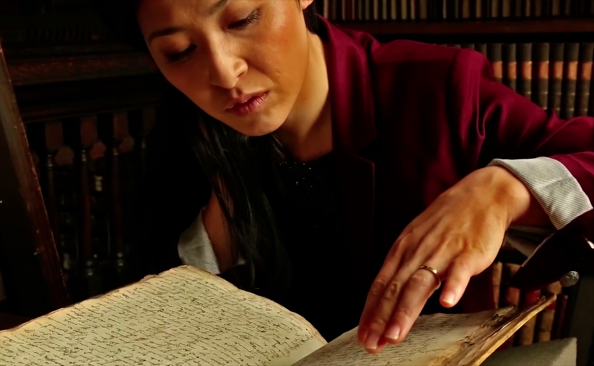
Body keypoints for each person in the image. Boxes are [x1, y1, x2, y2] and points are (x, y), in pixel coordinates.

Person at [114, 0, 594, 353]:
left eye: (242, 19)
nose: (224, 72)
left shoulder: (434, 86)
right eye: (179, 51)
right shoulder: (188, 131)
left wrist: (504, 190)